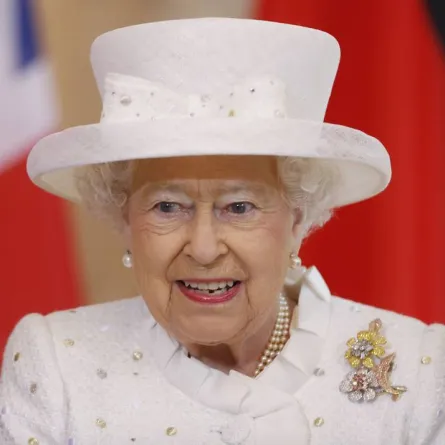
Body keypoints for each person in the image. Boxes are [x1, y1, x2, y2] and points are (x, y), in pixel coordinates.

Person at [0, 18, 444, 445]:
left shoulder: (420, 369)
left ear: (296, 218)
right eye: (168, 206)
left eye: (239, 207)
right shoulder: (57, 363)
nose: (205, 248)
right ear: (124, 217)